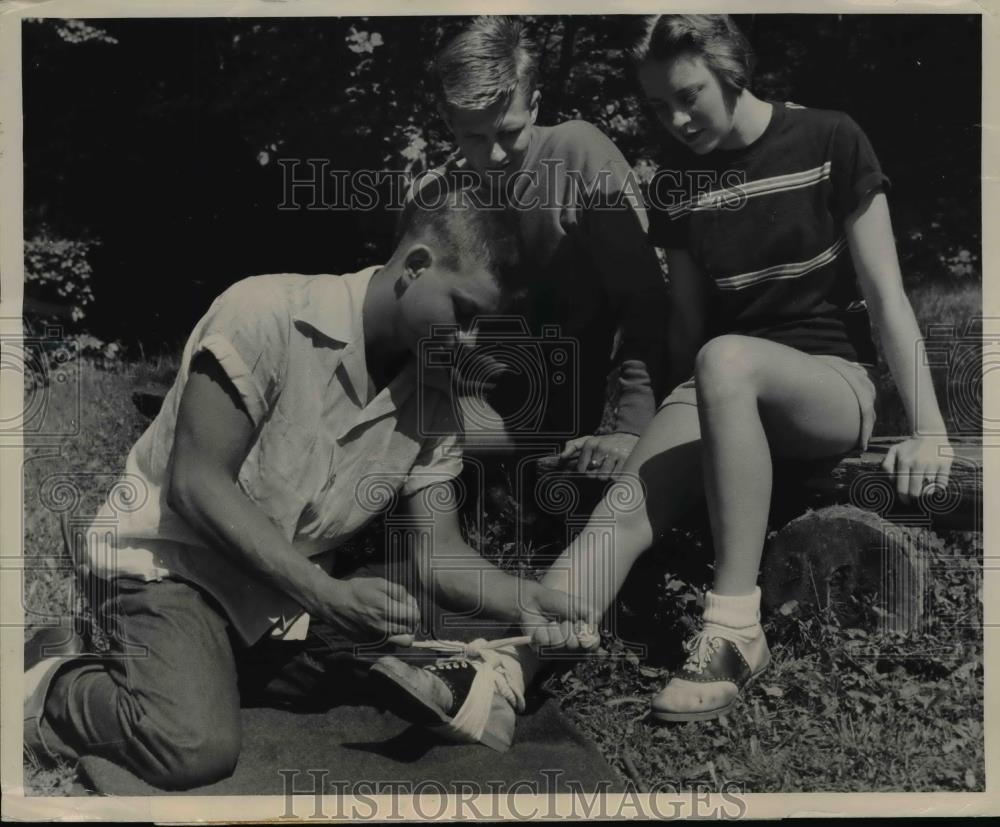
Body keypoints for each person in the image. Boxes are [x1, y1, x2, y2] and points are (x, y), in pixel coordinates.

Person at [23, 192, 588, 790]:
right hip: (169, 566)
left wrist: (527, 603)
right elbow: (196, 484)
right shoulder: (267, 311)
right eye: (465, 314)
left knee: (409, 646)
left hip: (279, 592)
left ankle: (190, 662)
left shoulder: (437, 387)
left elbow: (437, 555)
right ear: (416, 265)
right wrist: (323, 593)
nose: (472, 343)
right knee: (193, 745)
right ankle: (50, 682)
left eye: (488, 328)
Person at [523, 13, 954, 721]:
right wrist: (653, 433)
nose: (676, 118)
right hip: (720, 386)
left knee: (723, 360)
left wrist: (930, 428)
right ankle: (514, 657)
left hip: (829, 385)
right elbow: (687, 323)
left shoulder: (829, 139)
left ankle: (733, 626)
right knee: (622, 510)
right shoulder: (675, 182)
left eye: (688, 95)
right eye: (659, 106)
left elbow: (887, 298)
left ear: (731, 71)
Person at [400, 15, 669, 478]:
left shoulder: (578, 154)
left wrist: (632, 425)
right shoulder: (434, 196)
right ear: (448, 123)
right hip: (450, 400)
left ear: (536, 105)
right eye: (474, 137)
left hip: (551, 410)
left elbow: (645, 301)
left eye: (508, 132)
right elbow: (404, 324)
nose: (495, 154)